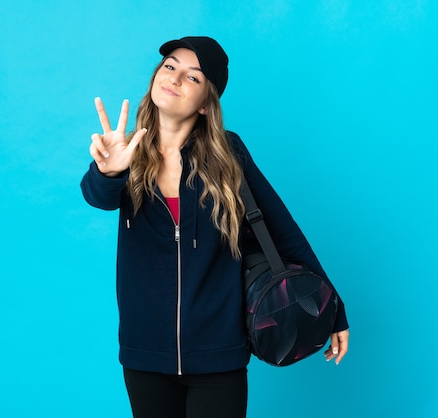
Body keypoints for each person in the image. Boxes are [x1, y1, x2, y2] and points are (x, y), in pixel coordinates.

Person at [80, 36, 349, 418]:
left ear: (207, 103)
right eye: (170, 66)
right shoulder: (126, 151)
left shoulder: (229, 153)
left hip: (219, 354)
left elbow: (283, 232)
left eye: (193, 77)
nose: (174, 78)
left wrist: (332, 308)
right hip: (145, 353)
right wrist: (108, 171)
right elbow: (97, 197)